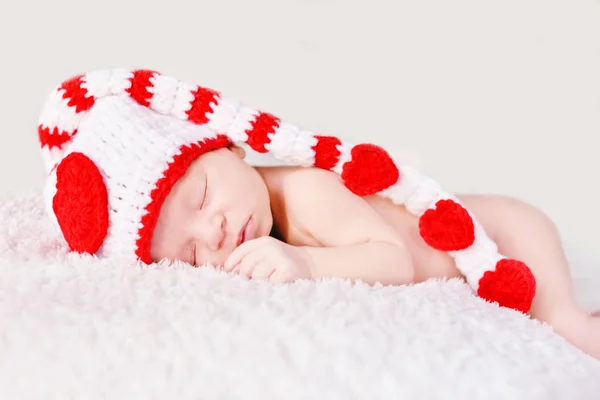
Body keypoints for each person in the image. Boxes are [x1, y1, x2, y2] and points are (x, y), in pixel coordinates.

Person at [151, 143, 600, 361]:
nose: (214, 231)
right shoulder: (257, 227)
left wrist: (305, 262)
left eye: (204, 194)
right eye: (191, 254)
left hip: (508, 235)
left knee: (568, 331)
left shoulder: (305, 191)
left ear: (229, 147)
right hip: (497, 241)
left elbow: (394, 260)